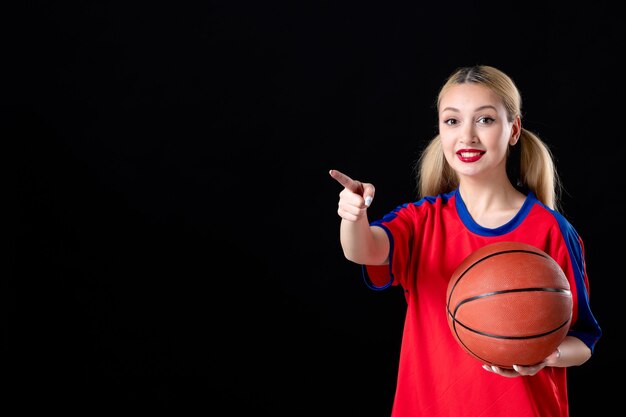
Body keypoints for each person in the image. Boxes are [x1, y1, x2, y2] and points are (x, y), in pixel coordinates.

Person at [329, 65, 602, 417]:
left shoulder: (552, 230)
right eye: (452, 121)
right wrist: (354, 215)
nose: (467, 136)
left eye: (485, 120)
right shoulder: (421, 222)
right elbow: (361, 249)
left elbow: (584, 338)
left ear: (514, 130)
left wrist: (548, 355)